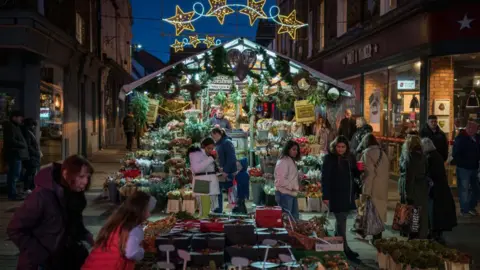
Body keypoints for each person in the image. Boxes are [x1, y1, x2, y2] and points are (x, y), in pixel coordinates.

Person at [7, 155, 95, 270]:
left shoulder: (74, 195)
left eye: (87, 177)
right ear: (65, 173)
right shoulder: (41, 196)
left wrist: (88, 238)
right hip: (41, 263)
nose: (85, 181)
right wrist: (38, 253)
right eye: (81, 176)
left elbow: (74, 225)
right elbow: (15, 229)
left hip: (68, 258)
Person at [82, 191, 156, 270]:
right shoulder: (134, 229)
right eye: (148, 210)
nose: (149, 215)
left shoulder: (115, 222)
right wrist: (141, 251)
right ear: (141, 210)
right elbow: (131, 253)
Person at [322, 136, 360, 259]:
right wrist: (326, 195)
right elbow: (325, 178)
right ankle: (345, 249)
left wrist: (359, 171)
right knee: (341, 221)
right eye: (338, 146)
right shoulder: (329, 158)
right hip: (336, 195)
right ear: (335, 146)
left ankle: (338, 247)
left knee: (341, 222)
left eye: (343, 147)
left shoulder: (350, 158)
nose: (340, 149)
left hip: (348, 195)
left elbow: (354, 174)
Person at [421, 138, 457, 243]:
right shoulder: (436, 156)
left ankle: (435, 233)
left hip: (435, 190)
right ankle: (436, 232)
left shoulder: (430, 157)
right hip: (440, 189)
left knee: (434, 212)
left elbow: (430, 173)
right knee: (437, 212)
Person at [360, 134, 389, 242]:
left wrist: (366, 191)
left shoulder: (367, 153)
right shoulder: (383, 153)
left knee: (370, 212)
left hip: (373, 187)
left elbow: (369, 174)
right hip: (383, 187)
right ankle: (378, 237)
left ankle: (371, 235)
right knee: (379, 212)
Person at [398, 135, 429, 239]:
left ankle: (412, 233)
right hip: (422, 187)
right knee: (420, 211)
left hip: (413, 187)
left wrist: (407, 193)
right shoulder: (423, 156)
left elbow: (409, 177)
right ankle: (420, 232)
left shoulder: (410, 157)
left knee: (412, 210)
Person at [452, 121, 480, 217]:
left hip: (474, 167)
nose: (476, 130)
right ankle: (464, 210)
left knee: (475, 189)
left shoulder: (476, 138)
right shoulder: (461, 138)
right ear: (469, 128)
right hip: (464, 168)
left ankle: (471, 207)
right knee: (464, 189)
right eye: (474, 128)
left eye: (476, 129)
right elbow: (455, 154)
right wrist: (462, 163)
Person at [189, 137, 220, 213]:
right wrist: (210, 159)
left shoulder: (209, 155)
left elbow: (209, 168)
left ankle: (210, 224)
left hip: (211, 181)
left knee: (212, 210)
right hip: (201, 181)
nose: (210, 150)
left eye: (212, 148)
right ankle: (204, 224)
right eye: (209, 148)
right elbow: (196, 169)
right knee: (204, 211)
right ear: (203, 146)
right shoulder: (195, 154)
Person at [3, 110, 28, 201]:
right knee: (13, 175)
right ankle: (12, 194)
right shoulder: (10, 126)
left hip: (17, 154)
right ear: (14, 117)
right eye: (20, 117)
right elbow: (11, 141)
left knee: (15, 174)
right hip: (14, 154)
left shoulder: (16, 126)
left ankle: (14, 193)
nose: (22, 119)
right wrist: (22, 144)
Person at [211, 127, 237, 213]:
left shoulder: (226, 143)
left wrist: (226, 171)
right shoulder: (219, 143)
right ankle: (218, 212)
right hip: (221, 172)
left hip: (228, 173)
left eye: (213, 135)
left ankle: (235, 212)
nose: (213, 137)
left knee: (231, 193)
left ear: (219, 134)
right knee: (219, 191)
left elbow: (232, 158)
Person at [274, 140, 301, 220]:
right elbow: (281, 180)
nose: (296, 152)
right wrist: (293, 187)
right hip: (284, 194)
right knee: (286, 220)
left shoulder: (290, 160)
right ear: (288, 149)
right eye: (293, 149)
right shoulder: (283, 161)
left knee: (293, 219)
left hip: (291, 193)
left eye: (297, 150)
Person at [21, 118, 42, 193]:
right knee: (30, 171)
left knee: (32, 171)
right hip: (31, 156)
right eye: (33, 125)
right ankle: (27, 187)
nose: (34, 127)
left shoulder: (29, 131)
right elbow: (29, 145)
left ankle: (31, 187)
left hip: (32, 155)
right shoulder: (27, 132)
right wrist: (36, 152)